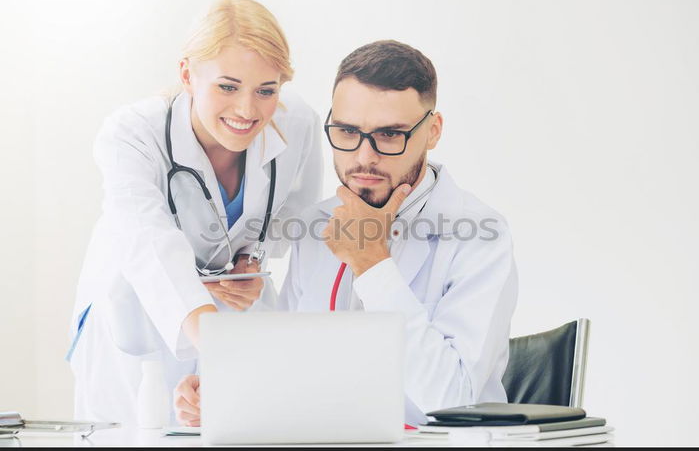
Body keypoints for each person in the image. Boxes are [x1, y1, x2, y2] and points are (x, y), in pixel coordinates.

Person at [174, 40, 517, 427]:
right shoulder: (316, 225)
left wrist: (373, 265)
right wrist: (228, 393)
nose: (363, 157)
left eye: (390, 135)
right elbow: (287, 370)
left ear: (433, 131)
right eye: (347, 131)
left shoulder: (478, 235)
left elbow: (456, 403)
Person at [68, 0, 322, 425]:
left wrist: (252, 261)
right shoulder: (133, 133)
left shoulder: (297, 123)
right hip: (138, 319)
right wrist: (218, 346)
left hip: (232, 319)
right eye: (227, 86)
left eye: (267, 90)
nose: (247, 110)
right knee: (139, 446)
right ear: (187, 74)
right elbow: (146, 239)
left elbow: (296, 216)